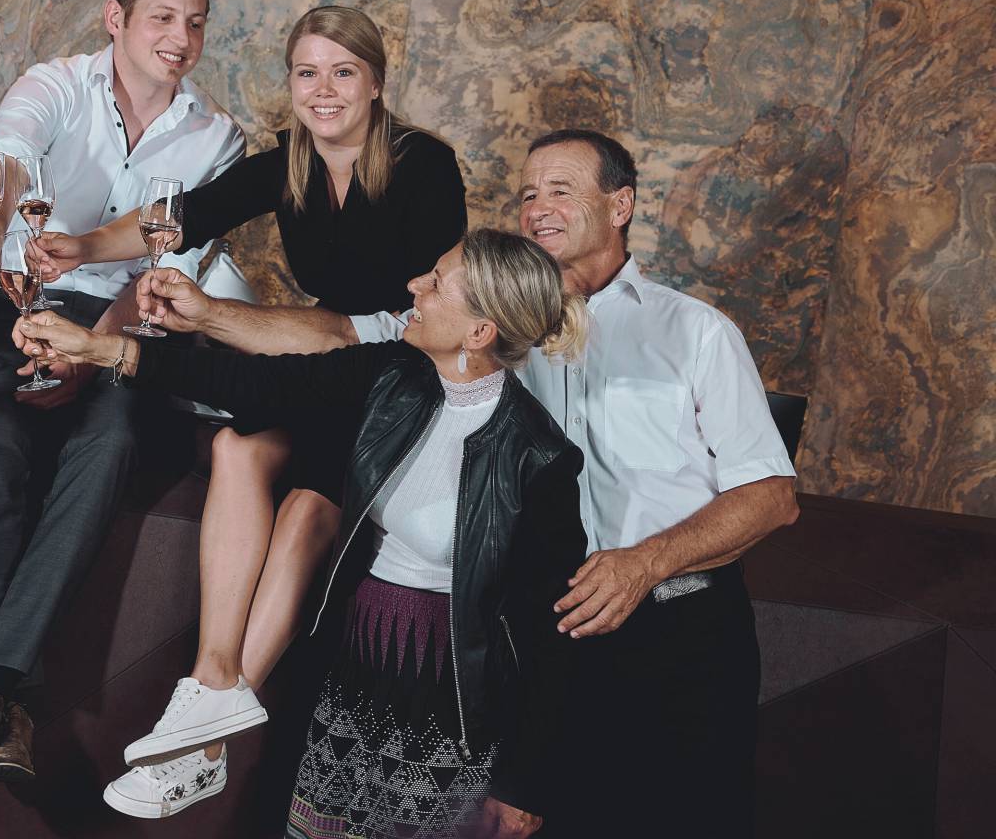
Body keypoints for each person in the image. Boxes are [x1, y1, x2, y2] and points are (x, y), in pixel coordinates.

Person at [130, 130, 800, 838]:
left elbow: (772, 497)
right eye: (528, 193)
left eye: (561, 190)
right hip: (535, 639)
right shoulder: (480, 326)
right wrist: (207, 315)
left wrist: (643, 565)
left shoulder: (695, 332)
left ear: (621, 204)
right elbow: (337, 340)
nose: (538, 207)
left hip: (676, 632)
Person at [30, 5, 466, 807]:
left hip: (404, 376)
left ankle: (210, 727)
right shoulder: (288, 164)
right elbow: (179, 220)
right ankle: (212, 685)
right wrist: (81, 246)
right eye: (307, 73)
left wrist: (317, 331)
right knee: (236, 449)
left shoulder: (423, 165)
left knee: (306, 510)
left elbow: (433, 315)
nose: (324, 89)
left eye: (343, 72)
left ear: (375, 82)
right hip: (327, 363)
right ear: (291, 84)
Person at [16, 229, 588, 837]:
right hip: (355, 666)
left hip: (450, 703)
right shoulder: (393, 373)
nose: (414, 286)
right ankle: (207, 726)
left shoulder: (539, 458)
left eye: (437, 283)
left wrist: (522, 783)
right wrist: (99, 347)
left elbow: (549, 632)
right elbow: (256, 386)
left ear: (480, 333)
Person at [0, 0, 246, 782]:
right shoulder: (55, 83)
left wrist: (97, 350)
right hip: (18, 301)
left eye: (195, 23)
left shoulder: (218, 139)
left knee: (113, 440)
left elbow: (172, 267)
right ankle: (9, 701)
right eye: (163, 18)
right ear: (117, 19)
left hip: (129, 319)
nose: (180, 38)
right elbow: (7, 156)